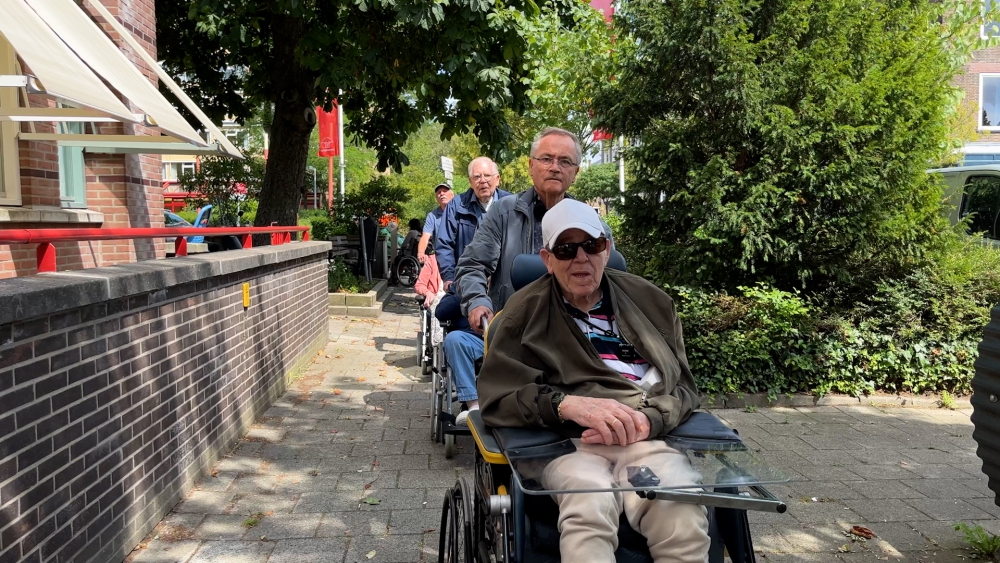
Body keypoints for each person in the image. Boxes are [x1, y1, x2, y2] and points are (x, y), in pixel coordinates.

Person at [478, 198, 709, 563]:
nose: (581, 258)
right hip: (568, 443)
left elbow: (683, 386)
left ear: (608, 248)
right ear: (547, 259)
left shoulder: (651, 302)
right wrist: (567, 405)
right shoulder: (520, 315)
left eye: (592, 245)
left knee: (680, 509)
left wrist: (650, 419)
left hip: (644, 435)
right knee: (590, 502)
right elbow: (498, 396)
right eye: (566, 249)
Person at [454, 127, 612, 334]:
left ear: (575, 173)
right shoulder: (503, 214)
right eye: (546, 159)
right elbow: (471, 266)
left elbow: (612, 280)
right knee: (457, 342)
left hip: (578, 331)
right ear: (531, 166)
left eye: (565, 161)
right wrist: (477, 301)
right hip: (514, 330)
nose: (555, 167)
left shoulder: (593, 224)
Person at [435, 156, 512, 289]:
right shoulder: (456, 205)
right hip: (466, 281)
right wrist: (449, 277)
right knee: (444, 310)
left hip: (503, 283)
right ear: (470, 182)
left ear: (497, 179)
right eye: (477, 177)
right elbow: (444, 244)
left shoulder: (511, 204)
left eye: (487, 175)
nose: (482, 181)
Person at [434, 290, 484, 426]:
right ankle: (473, 407)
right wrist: (466, 291)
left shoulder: (508, 276)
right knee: (453, 339)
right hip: (471, 340)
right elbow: (441, 312)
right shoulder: (462, 282)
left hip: (503, 338)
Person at [417, 183, 454, 264]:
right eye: (439, 192)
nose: (441, 194)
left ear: (452, 194)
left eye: (444, 191)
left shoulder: (460, 211)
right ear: (436, 197)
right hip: (442, 256)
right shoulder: (432, 216)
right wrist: (420, 253)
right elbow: (425, 237)